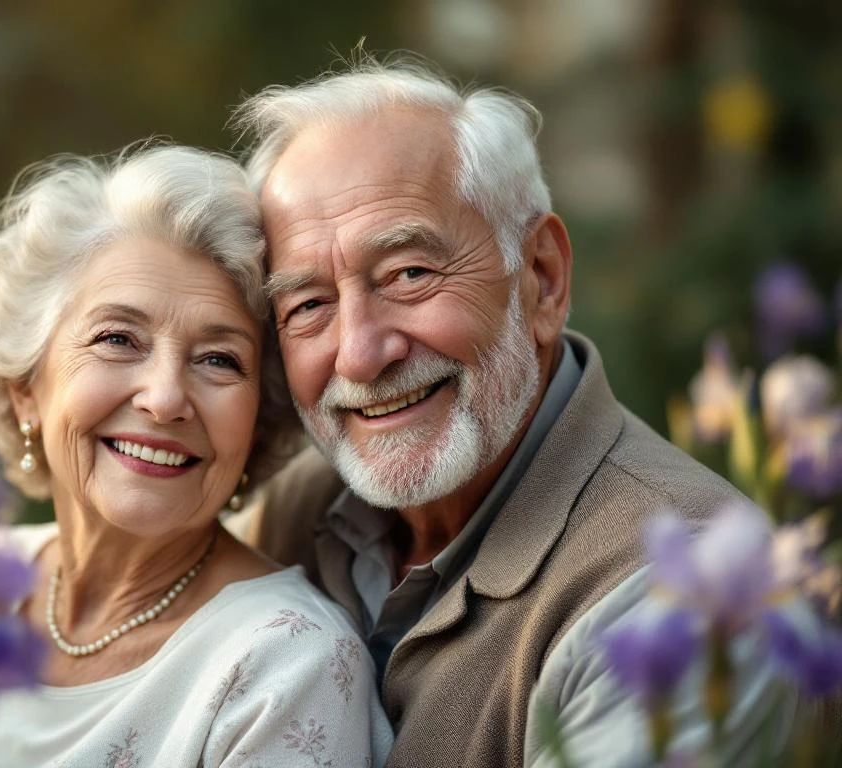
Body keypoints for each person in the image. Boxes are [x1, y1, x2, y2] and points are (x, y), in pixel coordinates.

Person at [230, 59, 795, 767]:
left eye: (409, 273)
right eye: (307, 305)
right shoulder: (294, 517)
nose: (360, 355)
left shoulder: (688, 590)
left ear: (541, 278)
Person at [0, 144, 394, 766]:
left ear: (256, 424)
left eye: (219, 359)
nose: (165, 399)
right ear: (25, 390)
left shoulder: (285, 664)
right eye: (118, 339)